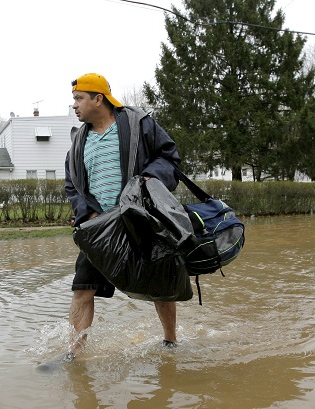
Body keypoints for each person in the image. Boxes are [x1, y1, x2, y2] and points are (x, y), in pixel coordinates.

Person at [64, 73, 182, 361]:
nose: (75, 106)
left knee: (161, 287)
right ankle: (73, 355)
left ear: (98, 99)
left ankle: (170, 342)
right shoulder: (78, 140)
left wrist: (144, 184)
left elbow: (169, 158)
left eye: (79, 99)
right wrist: (86, 213)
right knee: (83, 289)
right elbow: (72, 185)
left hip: (141, 220)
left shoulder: (138, 123)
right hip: (99, 228)